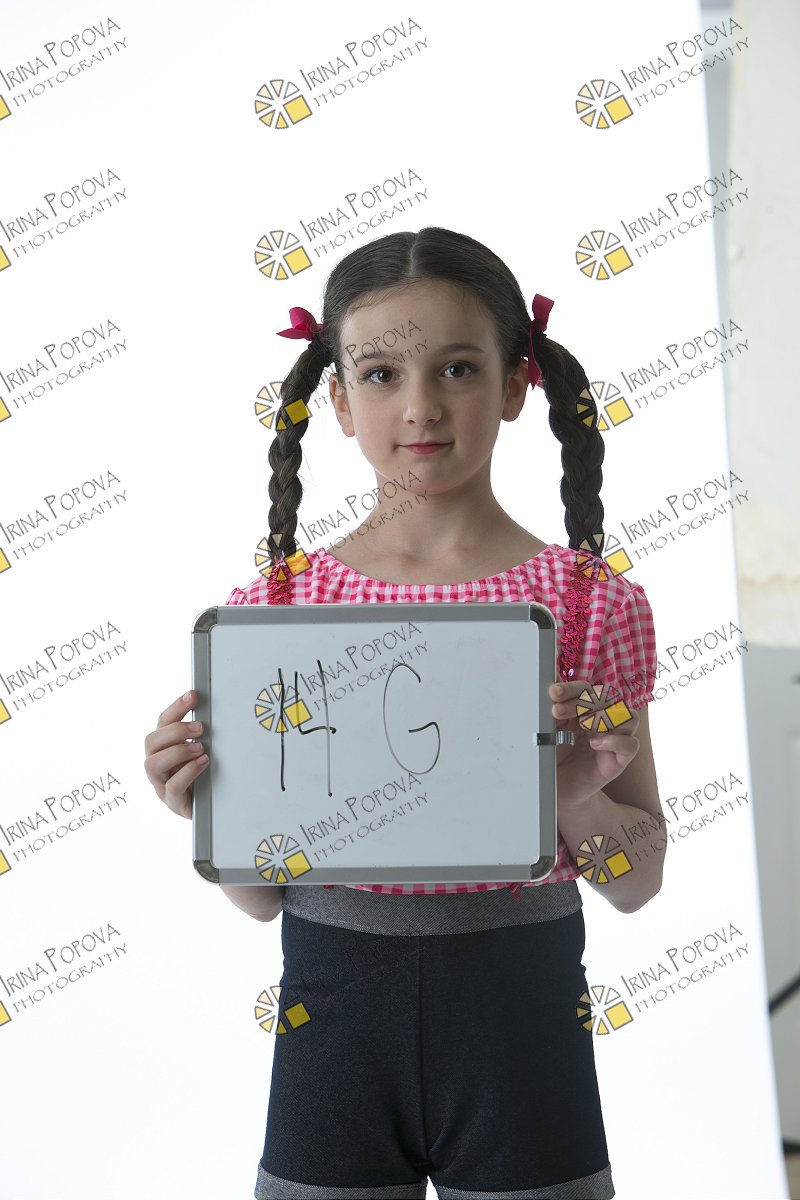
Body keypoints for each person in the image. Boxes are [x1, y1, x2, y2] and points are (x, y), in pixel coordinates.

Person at [143, 226, 663, 1200]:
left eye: (457, 368)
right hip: (331, 1018)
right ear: (338, 401)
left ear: (515, 385)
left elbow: (636, 882)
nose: (420, 406)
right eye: (381, 374)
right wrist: (207, 805)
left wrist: (572, 795)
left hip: (523, 1019)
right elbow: (261, 898)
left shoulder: (591, 603)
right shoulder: (276, 610)